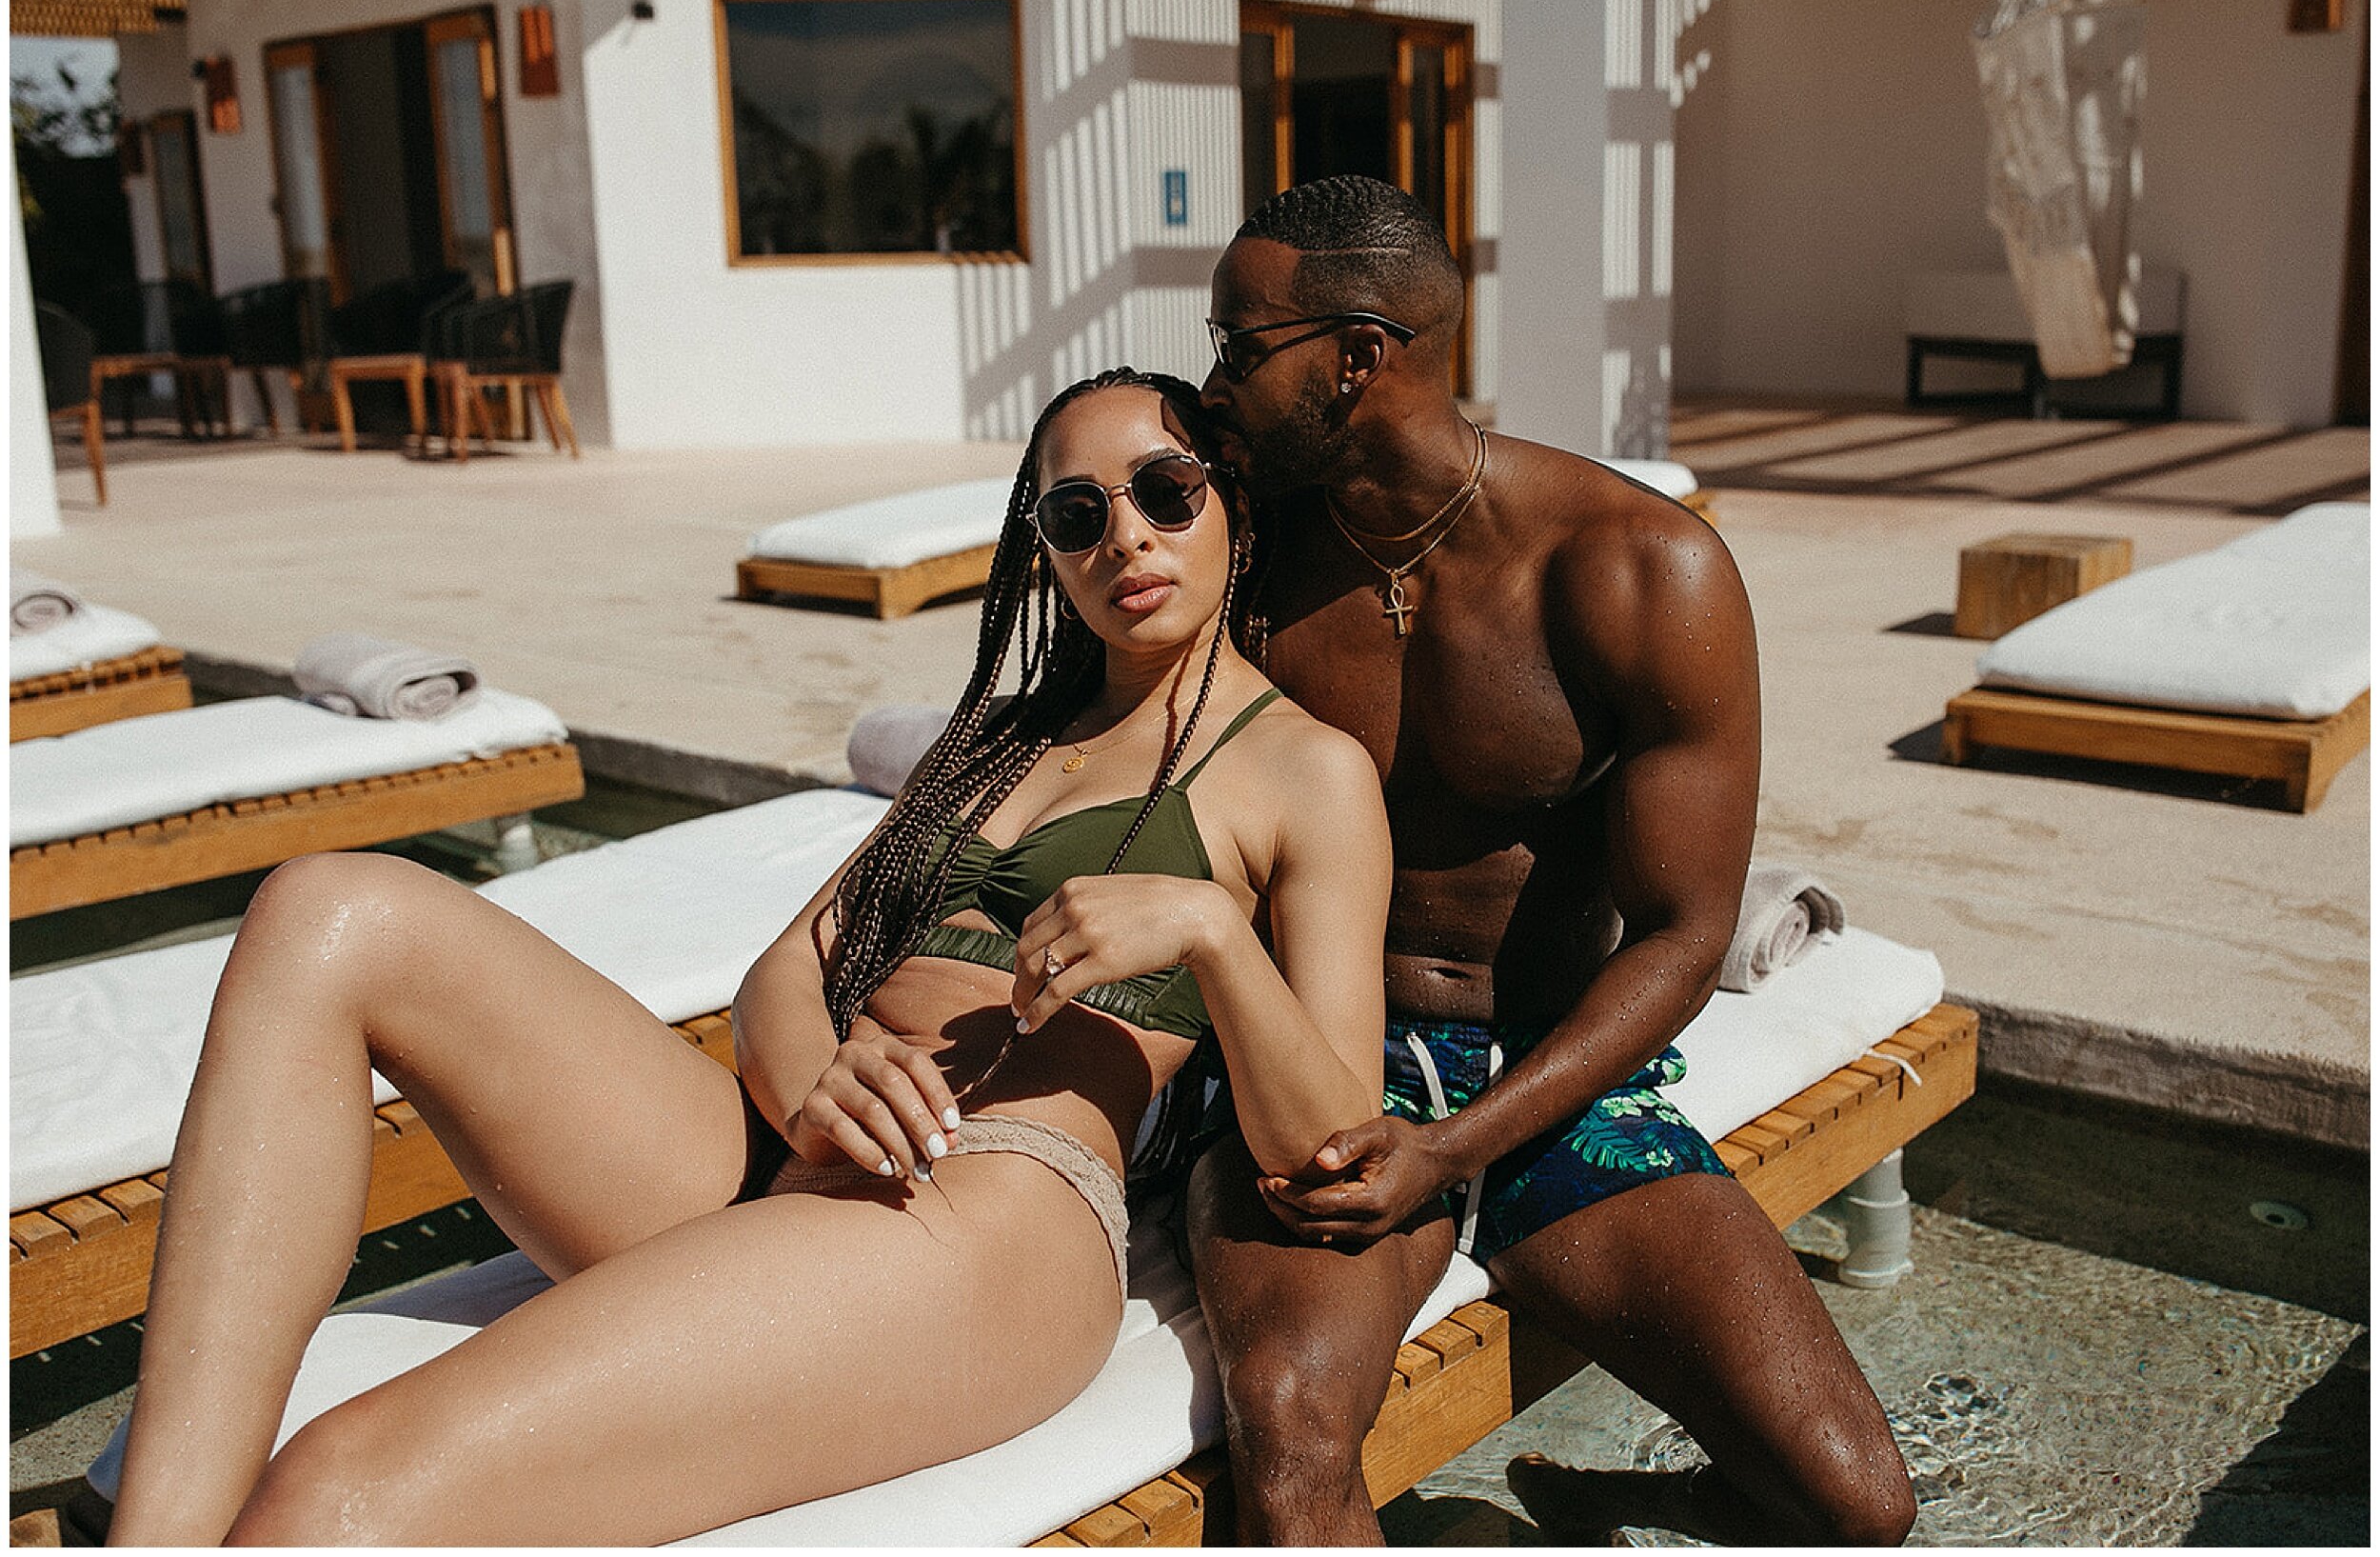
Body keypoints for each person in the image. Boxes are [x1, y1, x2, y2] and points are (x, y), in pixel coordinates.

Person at [103, 369, 1393, 1546]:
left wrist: (1215, 936)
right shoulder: (1002, 734)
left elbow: (1331, 1136)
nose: (1127, 537)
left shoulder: (1303, 773)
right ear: (1045, 552)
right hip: (797, 1153)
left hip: (989, 1210)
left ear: (1226, 501)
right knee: (329, 906)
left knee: (342, 1489)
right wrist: (813, 1079)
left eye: (1167, 492)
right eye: (1075, 514)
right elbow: (790, 963)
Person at [1186, 175, 1917, 1547]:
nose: (1212, 383)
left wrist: (1452, 1148)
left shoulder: (1638, 568)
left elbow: (1686, 934)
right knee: (1286, 1430)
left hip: (1544, 1073)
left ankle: (1590, 1503)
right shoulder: (1242, 555)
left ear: (1356, 356)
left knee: (1857, 1506)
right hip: (1314, 1062)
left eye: (1241, 346)